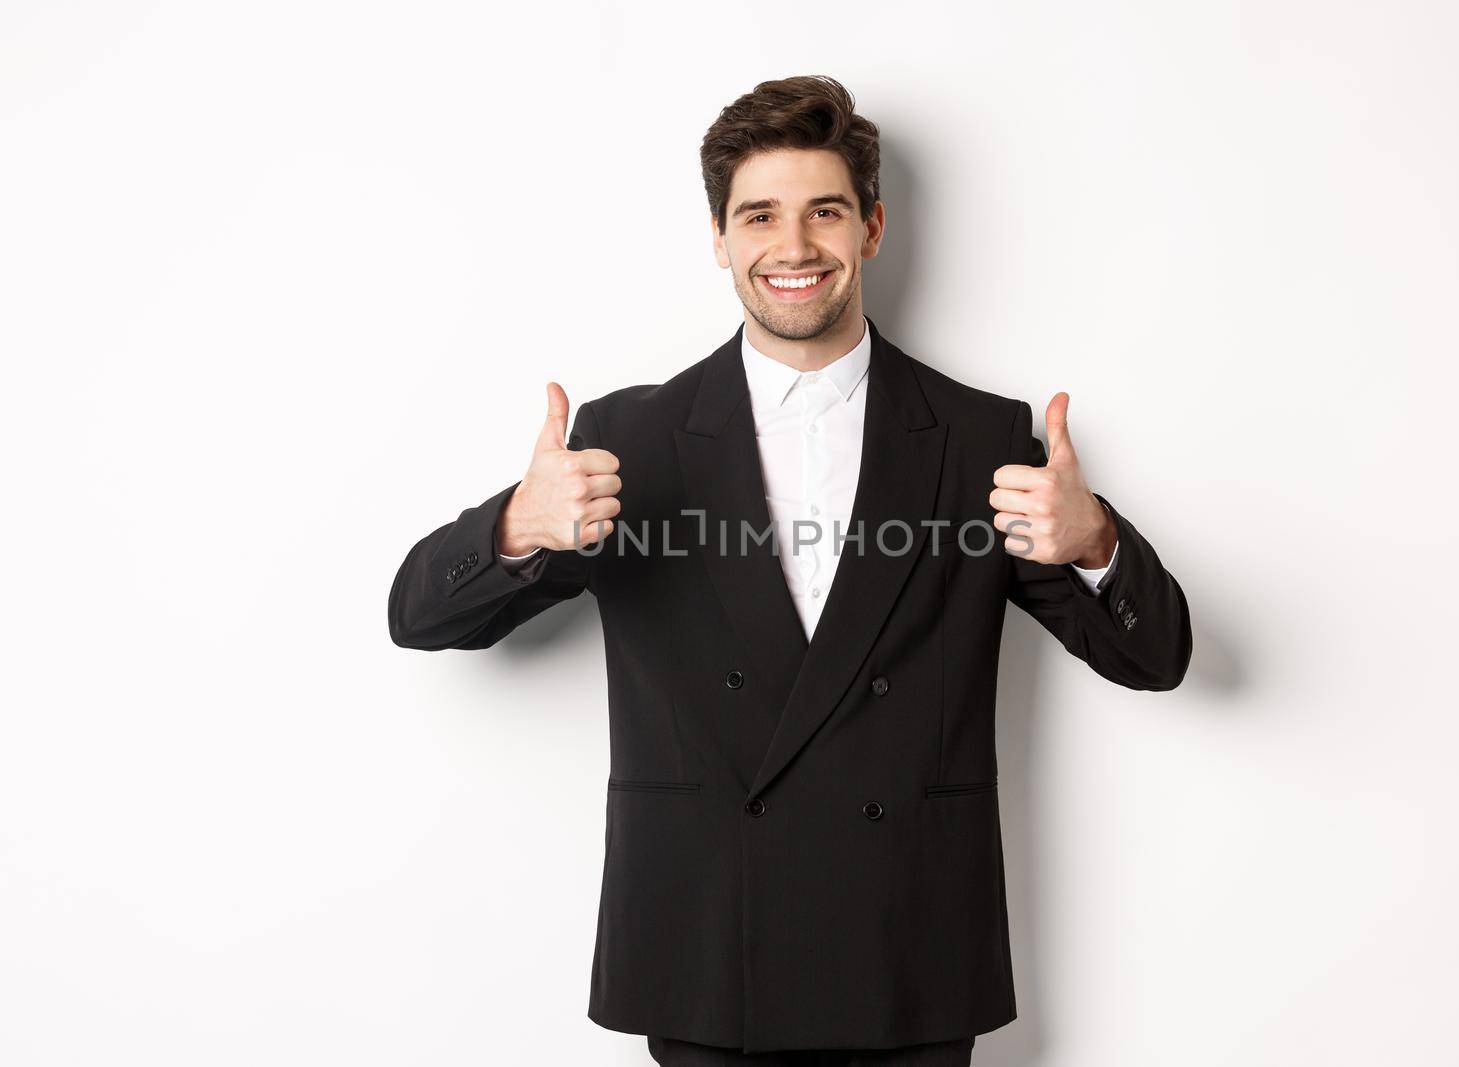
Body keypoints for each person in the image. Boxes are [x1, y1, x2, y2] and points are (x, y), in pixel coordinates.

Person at [388, 74, 1192, 1066]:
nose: (794, 246)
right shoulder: (629, 439)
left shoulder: (978, 438)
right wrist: (517, 524)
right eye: (759, 214)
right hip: (707, 951)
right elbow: (420, 617)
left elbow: (1157, 657)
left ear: (872, 227)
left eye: (825, 211)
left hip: (911, 950)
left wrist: (1096, 539)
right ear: (720, 238)